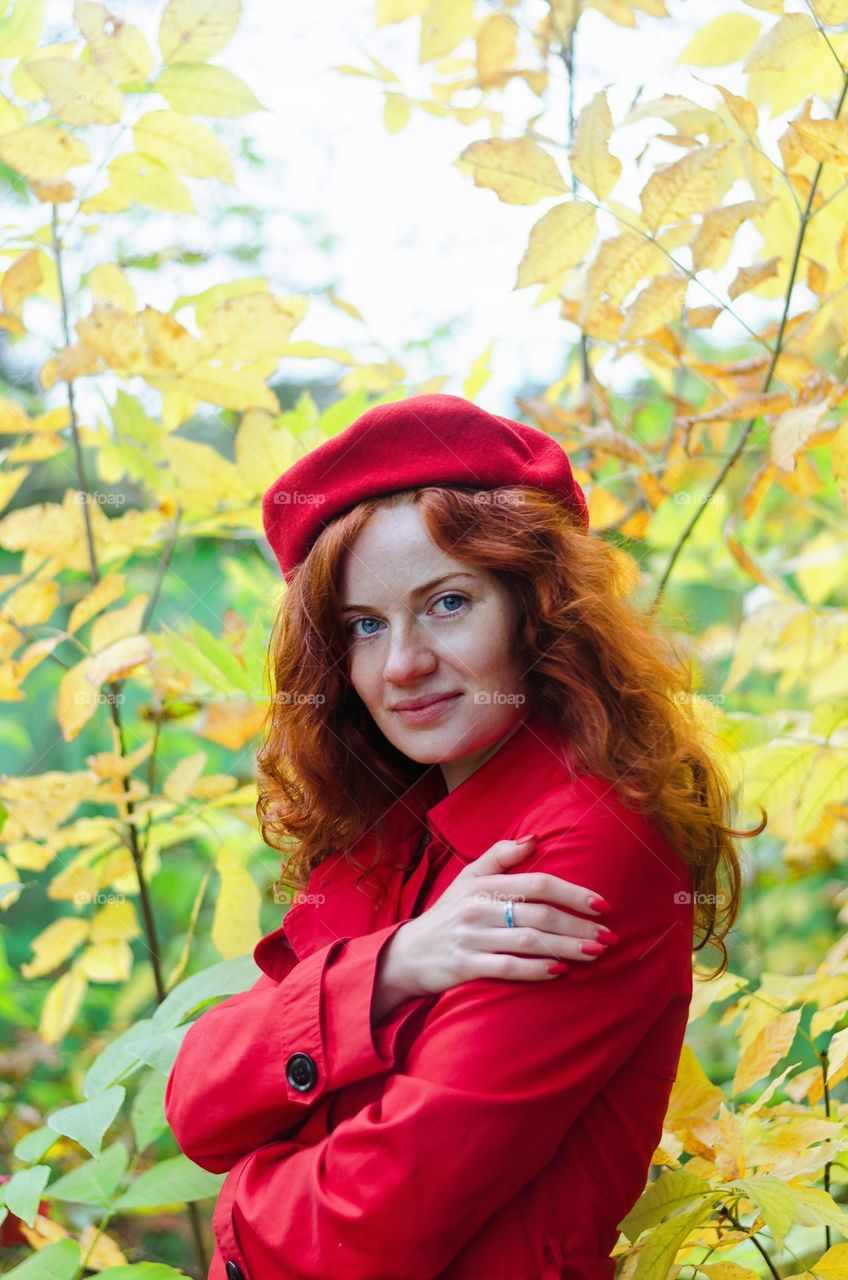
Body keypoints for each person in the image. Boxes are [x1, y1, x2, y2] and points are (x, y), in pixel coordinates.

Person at [165, 394, 763, 1280]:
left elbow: (379, 1217)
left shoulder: (581, 844)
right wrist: (395, 964)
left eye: (446, 604)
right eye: (364, 626)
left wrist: (241, 1213)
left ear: (538, 609)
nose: (401, 664)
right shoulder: (389, 837)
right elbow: (199, 1107)